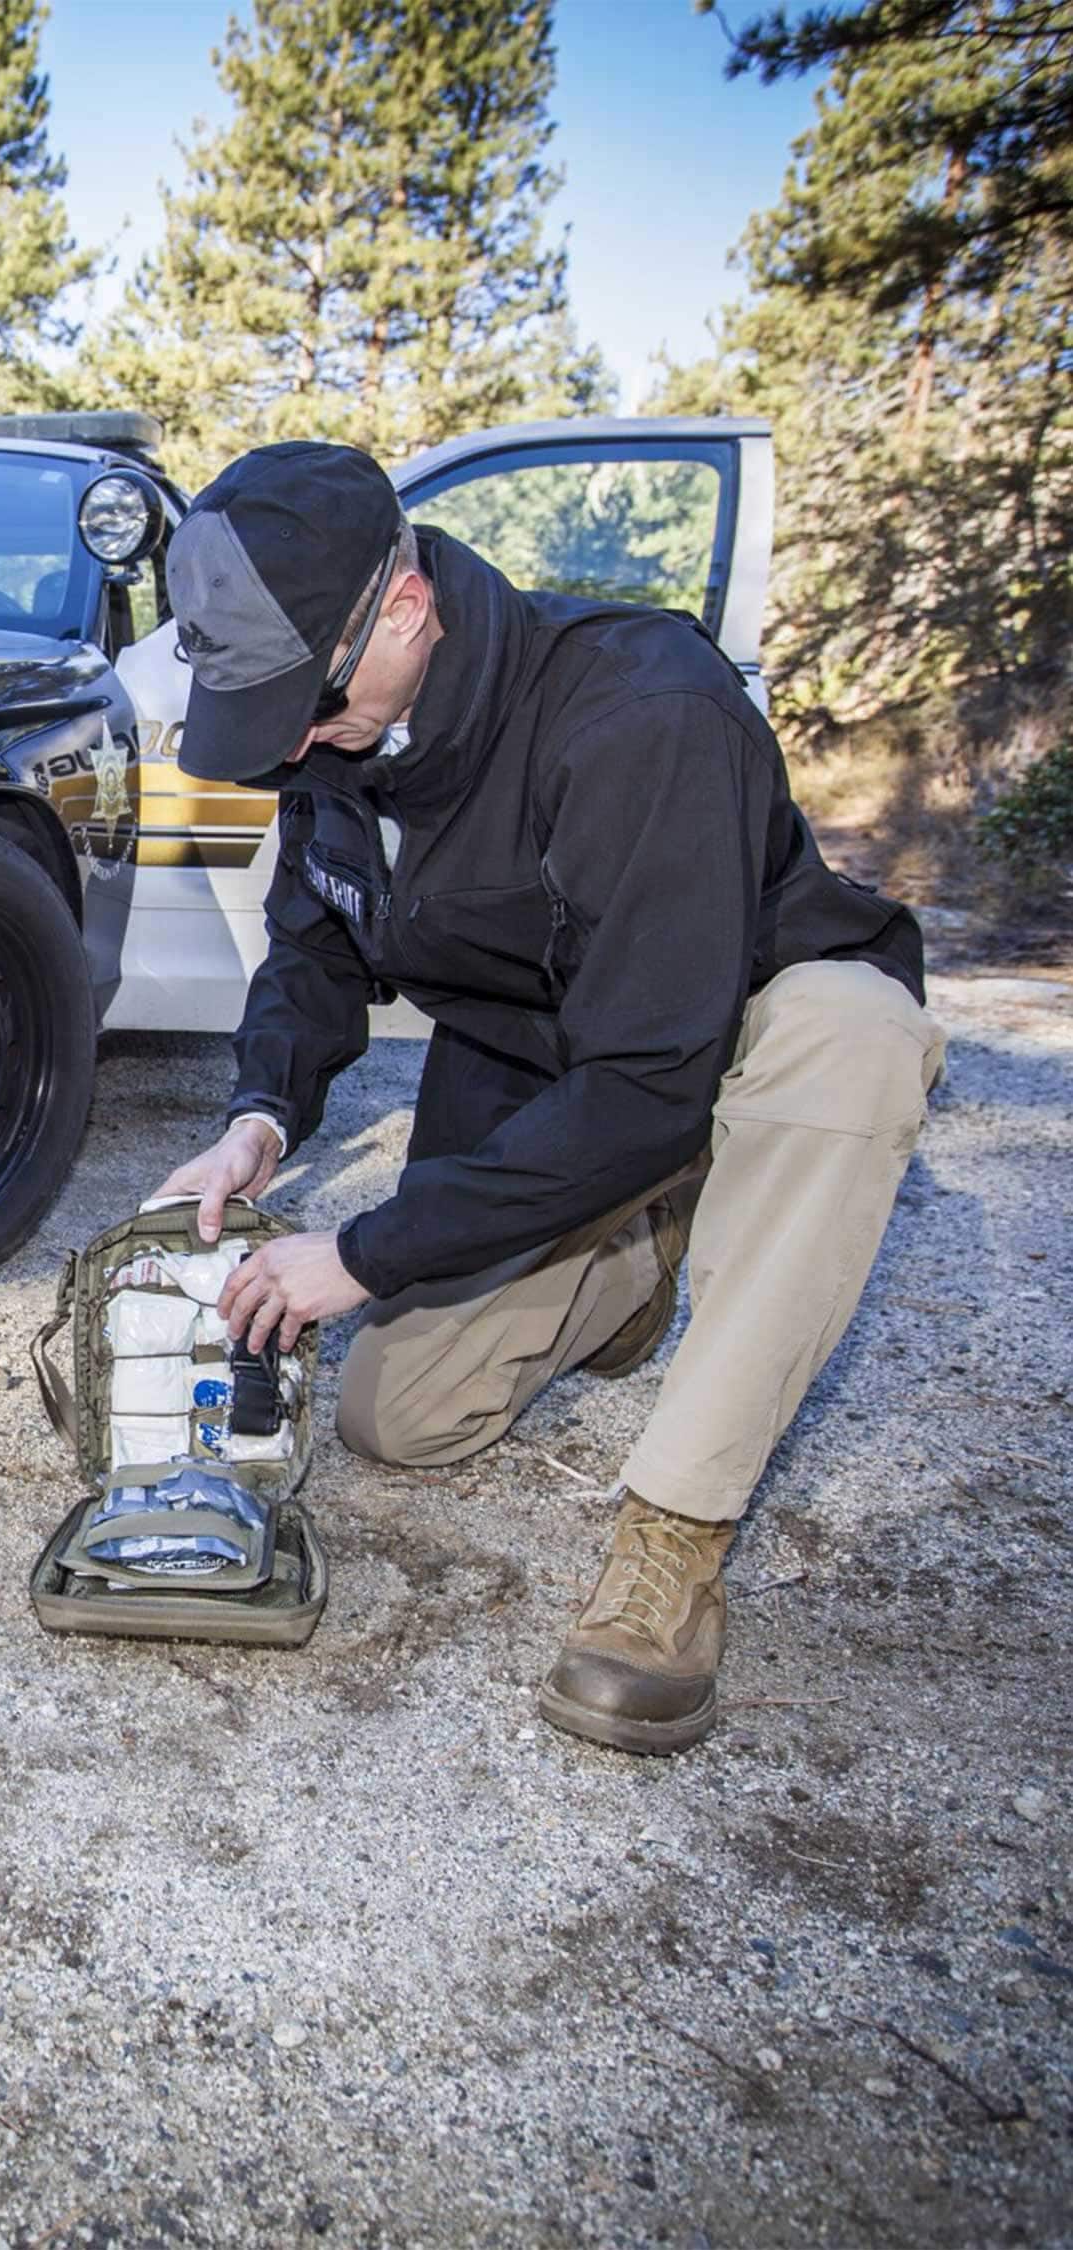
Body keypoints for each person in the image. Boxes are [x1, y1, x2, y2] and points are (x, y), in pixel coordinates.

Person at [151, 441, 941, 1756]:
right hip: (565, 1069)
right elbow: (314, 945)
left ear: (403, 607)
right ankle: (635, 1244)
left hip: (737, 1035)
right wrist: (261, 1114)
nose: (290, 738)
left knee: (847, 1039)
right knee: (397, 1415)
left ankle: (672, 1541)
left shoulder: (642, 714)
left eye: (305, 700)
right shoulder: (344, 726)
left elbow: (649, 1076)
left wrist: (357, 1248)